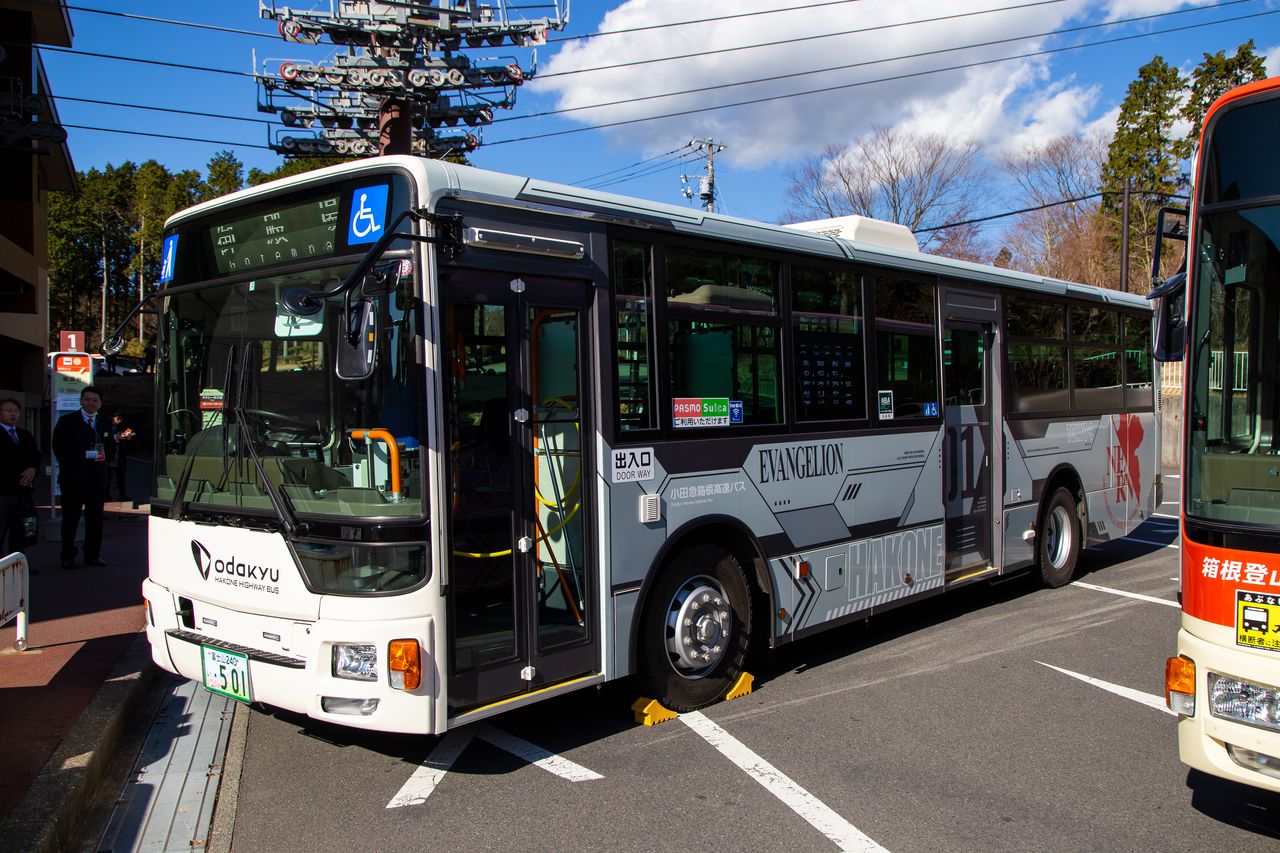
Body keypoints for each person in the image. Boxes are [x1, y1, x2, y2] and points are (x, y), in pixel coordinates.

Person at [52, 386, 112, 568]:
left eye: (95, 400)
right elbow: (58, 448)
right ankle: (68, 555)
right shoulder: (67, 421)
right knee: (71, 518)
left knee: (95, 519)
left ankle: (93, 555)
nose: (91, 403)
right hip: (73, 478)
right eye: (87, 399)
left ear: (100, 403)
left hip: (97, 478)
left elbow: (110, 447)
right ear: (80, 401)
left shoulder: (105, 421)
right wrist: (76, 461)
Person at [0, 398, 40, 567]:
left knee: (20, 531)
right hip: (2, 491)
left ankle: (18, 566)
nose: (13, 414)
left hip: (22, 491)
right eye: (8, 411)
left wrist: (32, 469)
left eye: (16, 411)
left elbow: (35, 456)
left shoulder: (24, 434)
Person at [107, 411, 135, 502]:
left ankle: (122, 496)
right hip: (111, 453)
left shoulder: (123, 426)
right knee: (108, 476)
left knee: (121, 477)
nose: (118, 420)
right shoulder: (107, 425)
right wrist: (115, 437)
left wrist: (128, 436)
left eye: (120, 419)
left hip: (120, 454)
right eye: (116, 418)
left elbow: (130, 433)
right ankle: (107, 495)